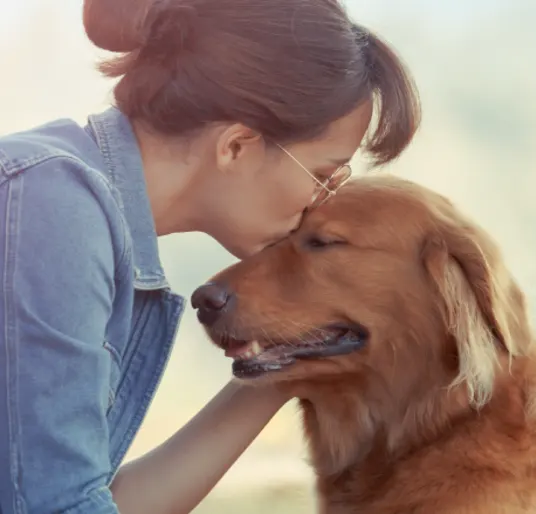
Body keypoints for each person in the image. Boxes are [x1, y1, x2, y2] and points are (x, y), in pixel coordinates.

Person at [0, 0, 420, 513]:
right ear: (237, 146)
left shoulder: (83, 217)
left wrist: (281, 370)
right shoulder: (53, 202)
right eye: (324, 174)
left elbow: (88, 500)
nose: (322, 203)